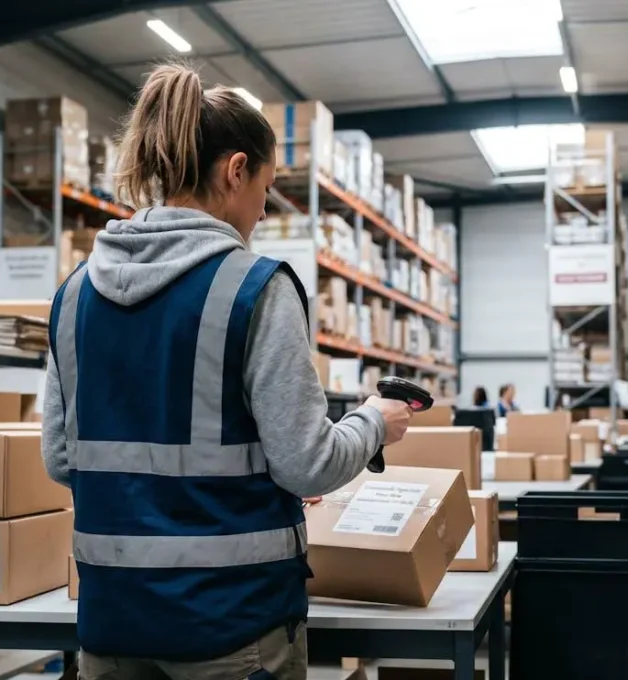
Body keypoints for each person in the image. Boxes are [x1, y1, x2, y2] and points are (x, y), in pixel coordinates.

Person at [40, 63, 413, 680]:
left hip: (112, 625)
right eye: (265, 188)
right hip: (232, 627)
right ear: (235, 170)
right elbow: (307, 465)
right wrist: (373, 422)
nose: (264, 211)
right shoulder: (254, 288)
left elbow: (61, 458)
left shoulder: (76, 294)